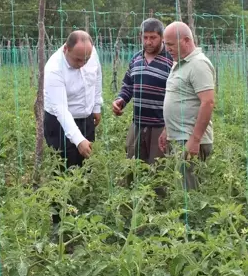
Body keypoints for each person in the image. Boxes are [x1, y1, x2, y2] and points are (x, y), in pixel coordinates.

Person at [158, 21, 216, 190]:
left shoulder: (198, 64)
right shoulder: (179, 62)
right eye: (165, 44)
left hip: (189, 139)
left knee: (189, 194)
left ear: (186, 40)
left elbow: (208, 102)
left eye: (170, 44)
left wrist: (195, 140)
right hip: (178, 138)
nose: (167, 49)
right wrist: (167, 129)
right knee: (181, 190)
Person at [112, 18, 173, 168]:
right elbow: (128, 85)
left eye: (153, 38)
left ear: (162, 37)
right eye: (145, 37)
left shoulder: (171, 60)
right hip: (138, 123)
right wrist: (121, 100)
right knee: (132, 167)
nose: (148, 42)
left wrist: (168, 127)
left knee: (157, 170)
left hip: (160, 125)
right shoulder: (136, 58)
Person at [43, 30, 103, 169]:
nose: (82, 63)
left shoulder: (91, 52)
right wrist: (78, 139)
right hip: (60, 124)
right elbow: (61, 110)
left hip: (86, 119)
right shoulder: (54, 69)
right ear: (66, 49)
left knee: (86, 167)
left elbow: (97, 76)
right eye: (78, 59)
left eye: (86, 60)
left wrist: (96, 107)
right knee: (65, 168)